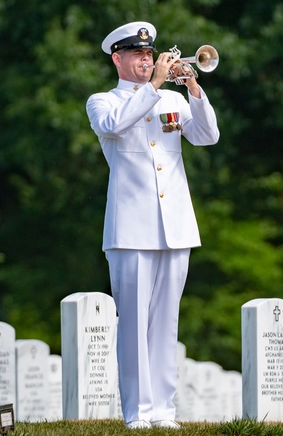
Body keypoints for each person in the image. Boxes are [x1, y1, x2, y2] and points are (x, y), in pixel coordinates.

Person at [86, 21, 220, 429]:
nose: (147, 59)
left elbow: (207, 135)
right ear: (118, 59)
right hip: (130, 229)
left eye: (150, 54)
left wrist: (193, 90)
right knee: (134, 324)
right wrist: (156, 84)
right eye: (138, 55)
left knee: (166, 322)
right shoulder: (103, 102)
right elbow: (115, 126)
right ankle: (137, 414)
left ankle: (164, 412)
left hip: (175, 224)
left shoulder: (169, 100)